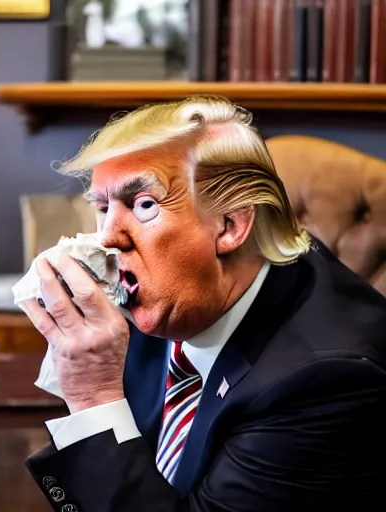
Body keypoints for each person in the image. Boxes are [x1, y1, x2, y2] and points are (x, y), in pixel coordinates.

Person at [22, 96, 386, 512]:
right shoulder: (176, 292)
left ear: (230, 226)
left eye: (144, 205)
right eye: (103, 208)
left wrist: (93, 397)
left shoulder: (325, 380)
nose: (107, 238)